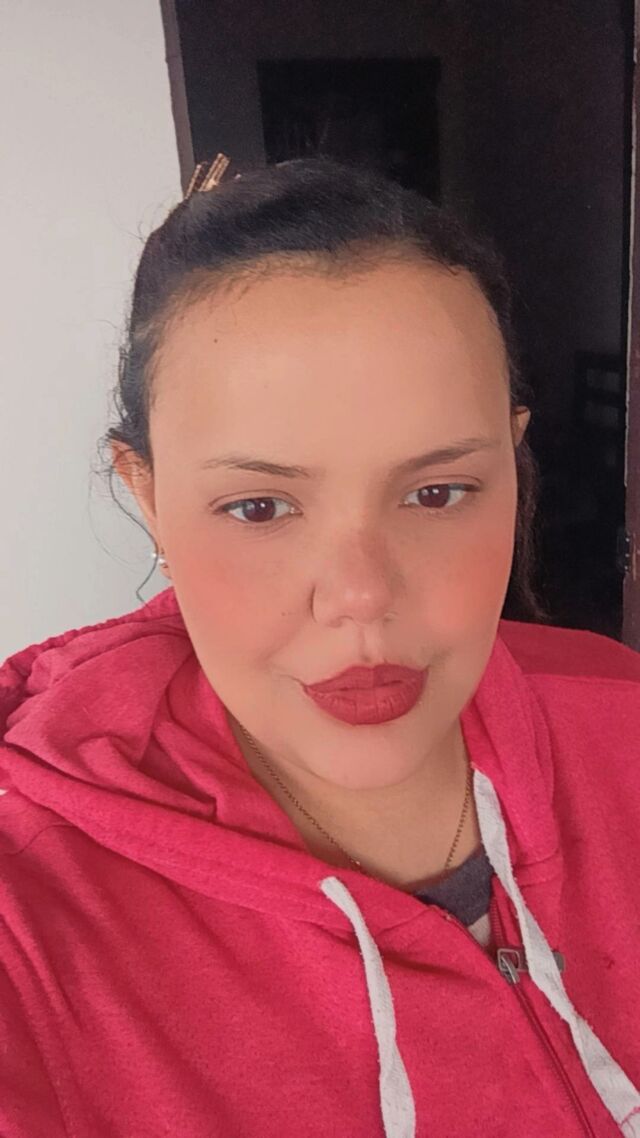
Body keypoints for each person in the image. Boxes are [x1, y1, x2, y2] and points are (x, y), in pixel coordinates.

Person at [1, 156, 640, 1138]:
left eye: (437, 493)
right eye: (259, 507)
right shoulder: (33, 926)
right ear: (148, 495)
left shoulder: (622, 721)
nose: (360, 597)